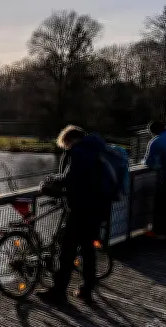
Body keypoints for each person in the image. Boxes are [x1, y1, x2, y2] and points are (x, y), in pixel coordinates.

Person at [37, 126, 111, 305]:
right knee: (88, 251)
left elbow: (71, 178)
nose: (66, 147)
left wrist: (52, 181)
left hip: (80, 209)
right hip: (97, 208)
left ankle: (58, 291)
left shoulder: (78, 152)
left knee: (67, 251)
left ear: (70, 140)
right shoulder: (96, 149)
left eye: (66, 144)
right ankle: (86, 290)